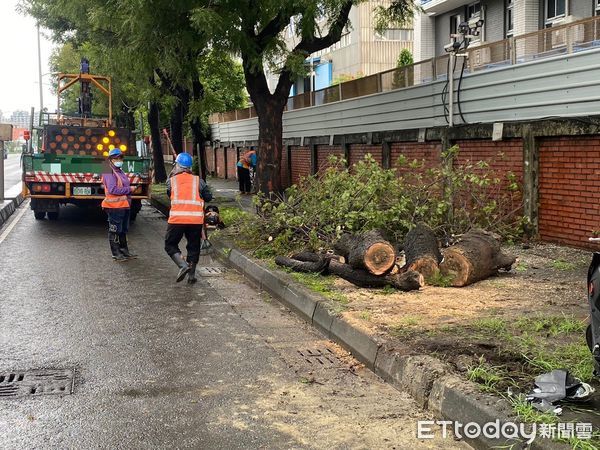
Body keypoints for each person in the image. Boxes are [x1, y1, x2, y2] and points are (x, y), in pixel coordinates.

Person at [165, 152, 213, 283]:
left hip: (177, 220)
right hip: (195, 221)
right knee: (193, 246)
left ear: (177, 166)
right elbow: (208, 197)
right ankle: (191, 276)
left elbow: (169, 195)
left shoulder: (171, 181)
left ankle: (182, 265)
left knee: (170, 245)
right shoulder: (199, 181)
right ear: (190, 167)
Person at [101, 148, 136, 261]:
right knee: (115, 230)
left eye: (120, 158)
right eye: (115, 158)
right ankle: (116, 253)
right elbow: (112, 189)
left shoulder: (119, 171)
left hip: (124, 205)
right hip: (114, 207)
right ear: (110, 159)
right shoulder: (108, 170)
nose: (118, 160)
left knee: (123, 229)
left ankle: (124, 251)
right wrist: (129, 189)